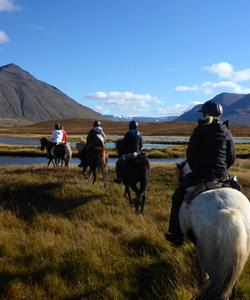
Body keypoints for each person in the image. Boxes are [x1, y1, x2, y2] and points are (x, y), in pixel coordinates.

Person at [165, 100, 236, 246]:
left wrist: (198, 169)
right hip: (221, 176)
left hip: (200, 176)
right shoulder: (226, 131)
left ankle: (175, 234)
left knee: (177, 197)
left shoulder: (199, 130)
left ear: (205, 114)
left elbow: (190, 155)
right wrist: (221, 169)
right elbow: (231, 157)